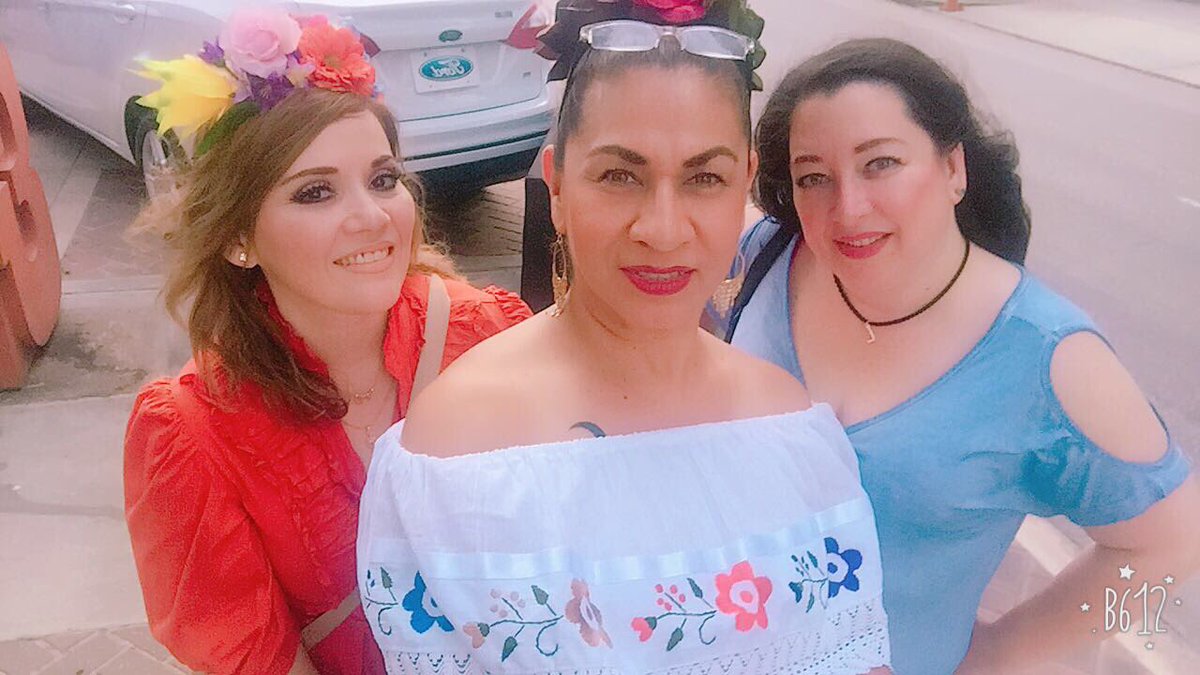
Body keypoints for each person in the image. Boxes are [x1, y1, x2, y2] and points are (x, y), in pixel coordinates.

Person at [357, 2, 892, 673]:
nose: (662, 230)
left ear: (744, 187)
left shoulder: (790, 429)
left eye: (704, 178)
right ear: (557, 188)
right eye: (619, 176)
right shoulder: (457, 446)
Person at [720, 37, 1200, 674]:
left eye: (880, 163)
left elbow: (1174, 542)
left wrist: (1007, 655)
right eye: (814, 177)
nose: (848, 207)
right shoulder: (769, 257)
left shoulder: (1047, 358)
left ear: (953, 168)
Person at [122, 9, 531, 674]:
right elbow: (257, 655)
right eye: (315, 192)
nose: (371, 217)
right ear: (238, 237)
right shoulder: (195, 434)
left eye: (383, 179)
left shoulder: (489, 333)